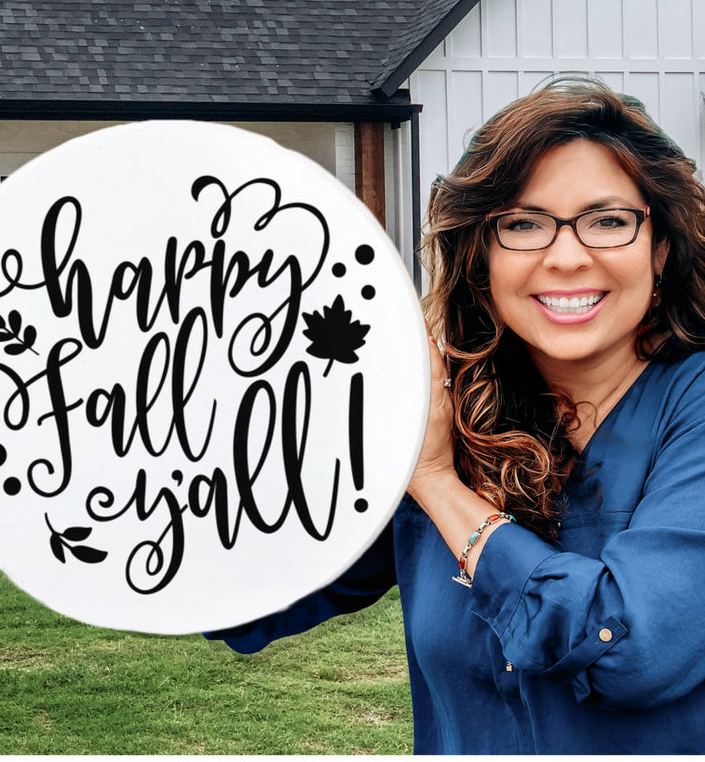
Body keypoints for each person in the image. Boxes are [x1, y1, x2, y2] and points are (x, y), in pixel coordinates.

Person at [206, 77, 705, 754]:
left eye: (608, 220)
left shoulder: (689, 408)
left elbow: (632, 649)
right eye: (523, 224)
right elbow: (250, 590)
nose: (565, 256)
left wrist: (439, 482)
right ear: (482, 256)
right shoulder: (447, 408)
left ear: (662, 246)